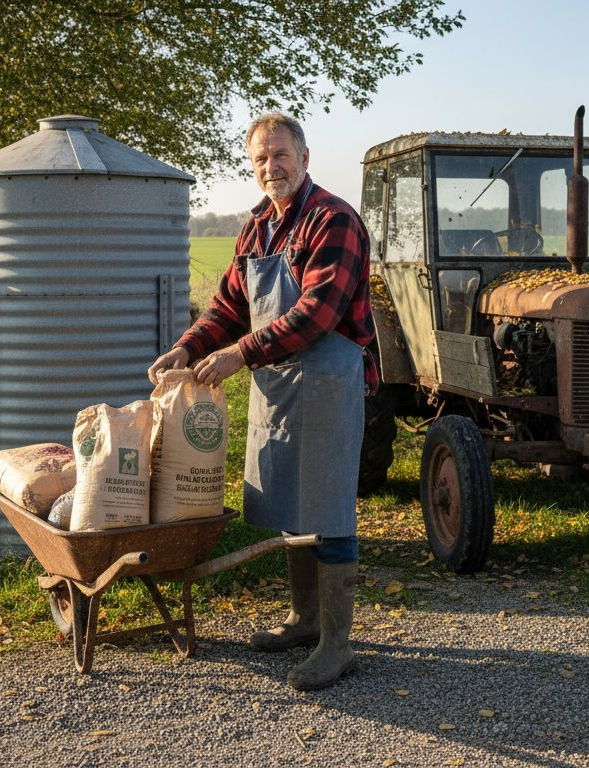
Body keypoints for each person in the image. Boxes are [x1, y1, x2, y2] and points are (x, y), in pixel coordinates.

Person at [147, 113, 377, 691]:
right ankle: (303, 621)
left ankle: (337, 645)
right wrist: (186, 348)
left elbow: (317, 313)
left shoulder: (333, 220)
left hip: (329, 379)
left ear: (304, 156)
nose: (270, 168)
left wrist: (237, 356)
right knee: (291, 504)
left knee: (327, 506)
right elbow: (228, 305)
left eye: (280, 155)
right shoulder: (255, 228)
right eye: (260, 160)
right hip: (278, 380)